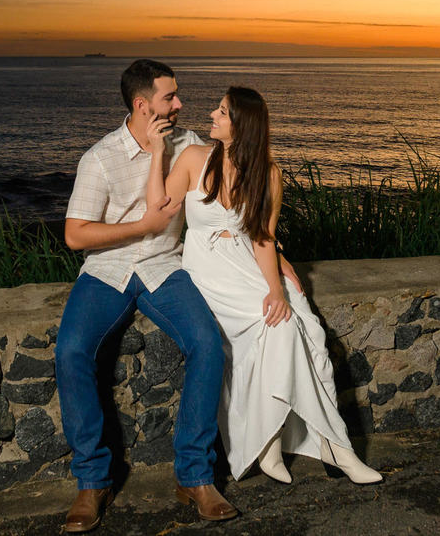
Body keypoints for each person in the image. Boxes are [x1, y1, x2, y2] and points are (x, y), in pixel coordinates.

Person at [145, 85, 383, 485]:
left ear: (242, 125)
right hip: (208, 271)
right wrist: (156, 154)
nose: (212, 116)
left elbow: (263, 238)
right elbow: (157, 210)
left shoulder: (268, 174)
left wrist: (275, 287)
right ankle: (316, 446)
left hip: (247, 265)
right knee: (279, 329)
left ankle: (302, 445)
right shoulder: (192, 158)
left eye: (221, 112)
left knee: (299, 326)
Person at [55, 59, 240, 533]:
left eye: (177, 96)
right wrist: (141, 226)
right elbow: (75, 235)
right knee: (71, 351)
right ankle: (92, 481)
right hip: (107, 270)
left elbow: (237, 182)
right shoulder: (100, 157)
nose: (180, 104)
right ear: (142, 105)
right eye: (169, 98)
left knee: (207, 344)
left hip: (166, 266)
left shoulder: (190, 144)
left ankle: (195, 476)